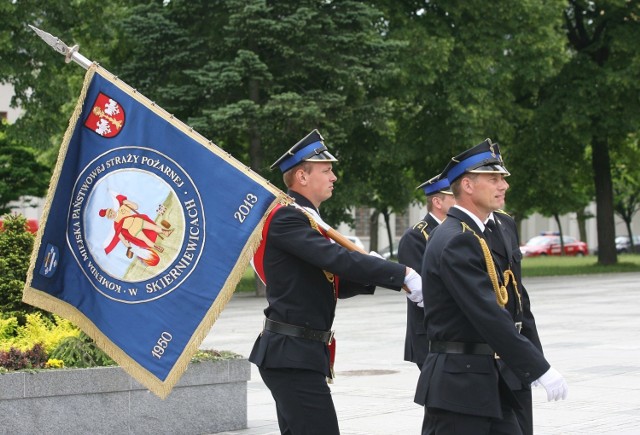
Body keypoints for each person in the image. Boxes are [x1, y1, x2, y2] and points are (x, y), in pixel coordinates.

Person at [249, 129, 423, 435]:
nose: (334, 177)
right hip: (292, 354)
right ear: (302, 176)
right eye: (326, 170)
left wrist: (377, 275)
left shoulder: (308, 220)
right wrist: (400, 275)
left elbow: (333, 281)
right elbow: (336, 260)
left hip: (299, 352)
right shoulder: (288, 218)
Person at [414, 138, 568, 435]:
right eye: (493, 178)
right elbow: (487, 312)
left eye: (502, 178)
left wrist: (532, 360)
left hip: (486, 380)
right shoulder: (456, 239)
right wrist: (539, 367)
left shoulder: (481, 233)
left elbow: (517, 303)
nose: (503, 186)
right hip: (459, 388)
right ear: (468, 186)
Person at [398, 173, 455, 370]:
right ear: (437, 202)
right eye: (454, 196)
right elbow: (421, 288)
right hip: (428, 333)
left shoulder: (456, 231)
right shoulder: (416, 235)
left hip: (452, 332)